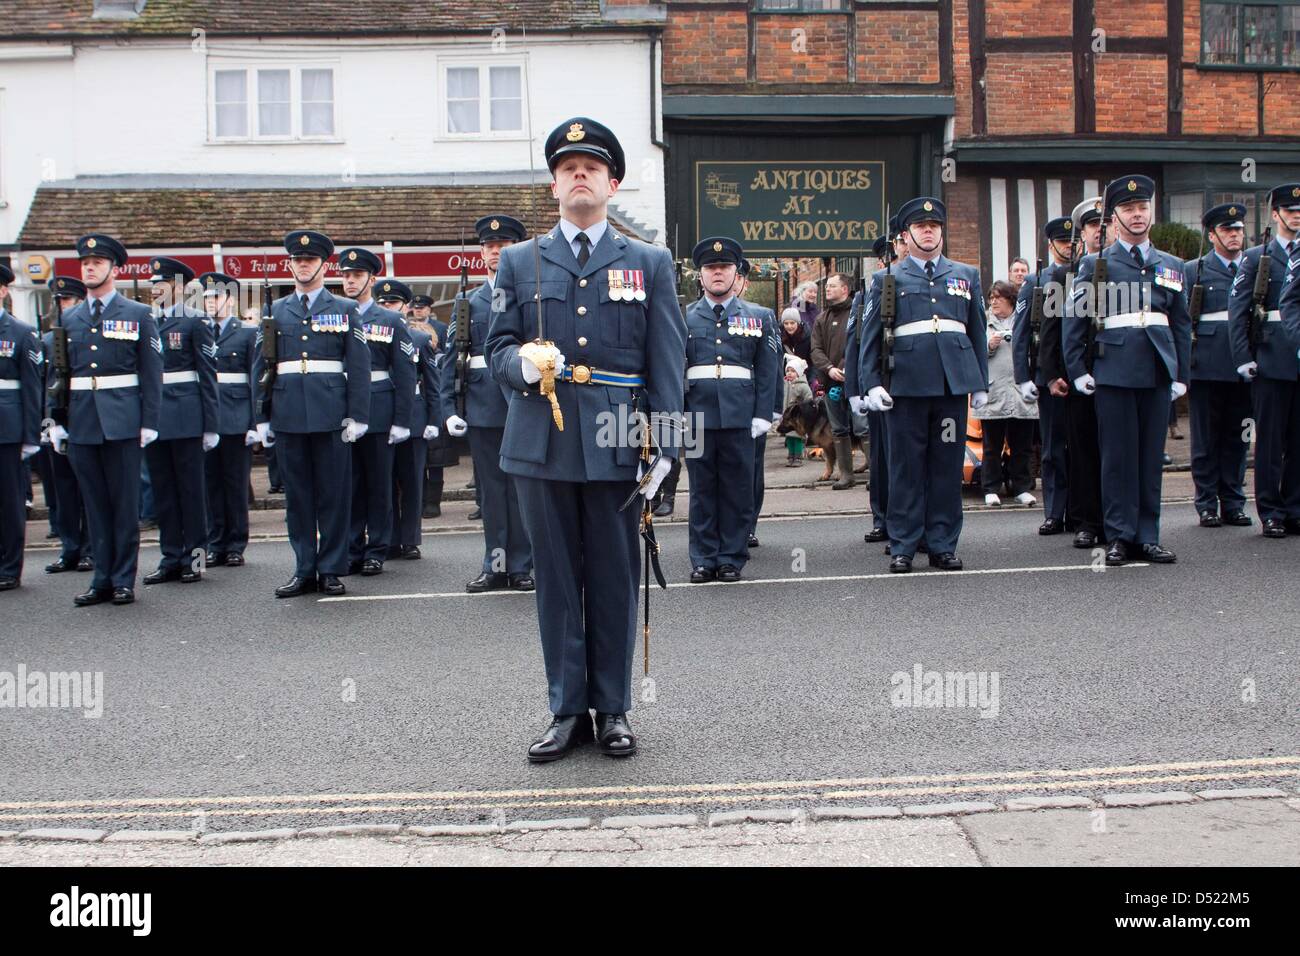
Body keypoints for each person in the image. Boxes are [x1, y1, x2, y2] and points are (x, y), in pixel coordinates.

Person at [484, 116, 686, 762]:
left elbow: (666, 363)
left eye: (591, 168)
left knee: (612, 576)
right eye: (568, 167)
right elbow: (496, 347)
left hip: (617, 433)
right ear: (553, 186)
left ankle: (614, 707)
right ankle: (567, 708)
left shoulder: (648, 262)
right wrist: (519, 366)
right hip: (539, 437)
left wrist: (670, 449)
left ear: (612, 183)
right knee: (556, 581)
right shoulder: (518, 261)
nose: (579, 175)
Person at [1063, 175, 1190, 566]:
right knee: (1117, 458)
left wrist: (1181, 373)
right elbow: (1075, 319)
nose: (1137, 215)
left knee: (1150, 457)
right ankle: (1119, 534)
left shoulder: (1171, 265)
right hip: (1113, 369)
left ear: (1151, 213)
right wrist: (1077, 368)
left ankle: (1147, 535)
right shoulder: (1095, 264)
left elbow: (1181, 324)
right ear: (1114, 219)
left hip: (1155, 370)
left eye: (1142, 208)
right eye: (1128, 210)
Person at [859, 197, 989, 572]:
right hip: (907, 388)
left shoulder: (966, 276)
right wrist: (871, 383)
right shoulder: (887, 279)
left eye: (934, 227)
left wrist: (979, 382)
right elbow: (870, 337)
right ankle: (903, 543)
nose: (928, 232)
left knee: (946, 468)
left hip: (950, 389)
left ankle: (942, 543)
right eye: (920, 227)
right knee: (905, 469)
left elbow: (976, 330)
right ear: (906, 234)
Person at [45, 234, 162, 606]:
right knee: (94, 505)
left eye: (97, 262)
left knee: (123, 505)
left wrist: (149, 420)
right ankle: (101, 579)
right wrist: (56, 420)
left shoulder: (138, 314)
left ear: (115, 268)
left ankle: (123, 578)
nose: (89, 268)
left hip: (123, 420)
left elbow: (151, 371)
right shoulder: (71, 317)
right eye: (85, 263)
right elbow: (59, 374)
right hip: (83, 422)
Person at [257, 230, 371, 598]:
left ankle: (331, 568)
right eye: (297, 260)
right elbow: (262, 367)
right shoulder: (275, 311)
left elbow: (359, 365)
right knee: (298, 497)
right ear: (290, 265)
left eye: (309, 260)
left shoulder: (346, 309)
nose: (302, 265)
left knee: (334, 495)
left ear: (324, 265)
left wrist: (358, 415)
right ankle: (304, 567)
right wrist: (261, 417)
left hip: (331, 414)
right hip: (288, 413)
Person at [442, 215, 534, 592]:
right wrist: (449, 408)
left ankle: (522, 566)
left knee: (523, 490)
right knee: (491, 492)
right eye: (489, 247)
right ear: (482, 253)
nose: (496, 252)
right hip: (482, 404)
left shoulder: (529, 294)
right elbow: (452, 355)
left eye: (503, 245)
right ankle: (496, 565)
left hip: (524, 403)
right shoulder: (467, 301)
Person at [682, 238, 778, 583]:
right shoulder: (683, 317)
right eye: (711, 268)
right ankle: (703, 558)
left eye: (724, 267)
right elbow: (673, 368)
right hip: (696, 416)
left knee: (737, 489)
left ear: (736, 273)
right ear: (701, 275)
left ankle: (731, 558)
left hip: (741, 415)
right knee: (702, 490)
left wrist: (764, 414)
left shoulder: (760, 317)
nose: (717, 273)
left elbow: (769, 370)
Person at [142, 257, 219, 586]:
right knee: (164, 493)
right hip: (155, 419)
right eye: (153, 283)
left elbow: (208, 376)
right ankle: (170, 557)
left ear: (179, 287)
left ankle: (196, 559)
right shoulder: (145, 321)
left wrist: (211, 425)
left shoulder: (196, 321)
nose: (156, 289)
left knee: (191, 493)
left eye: (163, 283)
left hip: (187, 417)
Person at [337, 247, 415, 577]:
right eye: (346, 276)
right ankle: (352, 546)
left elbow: (405, 372)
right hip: (343, 410)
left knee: (379, 484)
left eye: (356, 276)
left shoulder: (391, 319)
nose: (350, 281)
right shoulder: (336, 313)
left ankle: (377, 549)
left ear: (372, 279)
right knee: (348, 483)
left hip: (379, 408)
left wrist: (402, 419)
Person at [1238, 184, 1300, 537]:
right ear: (1275, 215)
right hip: (1271, 357)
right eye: (1290, 210)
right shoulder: (1255, 257)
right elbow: (1239, 311)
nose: (1297, 215)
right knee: (1271, 441)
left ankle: (1294, 506)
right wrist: (1243, 357)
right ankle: (1271, 510)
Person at [1185, 203, 1252, 529]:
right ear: (1212, 235)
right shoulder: (1192, 269)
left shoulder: (1255, 266)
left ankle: (1234, 502)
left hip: (1245, 366)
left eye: (1238, 229)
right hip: (1207, 365)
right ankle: (1207, 503)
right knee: (1206, 439)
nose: (1235, 235)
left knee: (1238, 438)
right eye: (1227, 230)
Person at [1012, 217, 1074, 532]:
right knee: (1053, 447)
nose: (1069, 246)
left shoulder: (1087, 275)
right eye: (1063, 242)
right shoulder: (1036, 282)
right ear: (1051, 245)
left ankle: (1079, 510)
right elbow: (1021, 334)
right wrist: (1023, 377)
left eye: (1072, 241)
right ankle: (1054, 510)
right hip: (1049, 374)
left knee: (1082, 447)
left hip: (1082, 373)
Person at [199, 271, 261, 567]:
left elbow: (254, 379)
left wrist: (254, 423)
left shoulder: (247, 333)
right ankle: (215, 542)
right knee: (210, 485)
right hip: (207, 418)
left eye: (217, 297)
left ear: (231, 300)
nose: (211, 303)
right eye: (207, 297)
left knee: (235, 484)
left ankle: (236, 543)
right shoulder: (198, 330)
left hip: (236, 417)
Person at [377, 280, 438, 560]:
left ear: (404, 307)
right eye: (383, 303)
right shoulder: (370, 335)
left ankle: (410, 538)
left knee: (412, 481)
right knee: (384, 481)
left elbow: (432, 384)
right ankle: (388, 537)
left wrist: (433, 420)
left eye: (392, 303)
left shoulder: (420, 339)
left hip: (414, 414)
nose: (387, 307)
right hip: (383, 413)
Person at [1060, 197, 1107, 548]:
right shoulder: (1068, 274)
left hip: (1118, 370)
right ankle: (1087, 519)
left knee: (1118, 451)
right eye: (1094, 226)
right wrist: (1053, 374)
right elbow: (1054, 332)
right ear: (1083, 233)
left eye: (1105, 225)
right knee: (1084, 449)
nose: (1100, 232)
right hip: (1081, 372)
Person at [40, 276, 93, 574]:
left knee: (88, 491)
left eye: (68, 300)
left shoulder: (85, 337)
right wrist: (49, 425)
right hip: (56, 424)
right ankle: (69, 548)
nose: (62, 305)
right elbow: (42, 389)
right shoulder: (46, 340)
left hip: (83, 421)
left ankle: (89, 549)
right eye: (58, 301)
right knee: (62, 492)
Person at [0, 262, 44, 590]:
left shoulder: (20, 332)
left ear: (3, 291)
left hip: (7, 429)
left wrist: (31, 435)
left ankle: (9, 566)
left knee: (9, 501)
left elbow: (32, 388)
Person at [978, 280, 1038, 506]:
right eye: (991, 297)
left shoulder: (1023, 320)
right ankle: (990, 488)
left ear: (1011, 300)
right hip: (994, 391)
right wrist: (989, 346)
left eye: (998, 298)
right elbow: (973, 353)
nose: (993, 302)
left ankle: (1021, 487)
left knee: (1022, 444)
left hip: (1020, 391)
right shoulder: (984, 321)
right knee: (991, 445)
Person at [737, 257, 780, 549]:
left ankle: (747, 524)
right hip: (712, 409)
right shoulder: (696, 316)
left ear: (744, 282)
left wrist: (771, 409)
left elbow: (772, 365)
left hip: (750, 406)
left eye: (738, 276)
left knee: (751, 471)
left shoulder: (759, 316)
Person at [811, 272, 856, 489]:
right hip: (831, 384)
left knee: (864, 427)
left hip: (856, 381)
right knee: (838, 429)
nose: (827, 289)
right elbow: (816, 349)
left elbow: (861, 342)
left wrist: (845, 367)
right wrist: (829, 369)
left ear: (845, 289)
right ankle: (846, 475)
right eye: (826, 286)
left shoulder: (858, 313)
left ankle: (876, 475)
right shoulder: (821, 319)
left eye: (832, 286)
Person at [782, 354, 814, 465]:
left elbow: (809, 399)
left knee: (797, 437)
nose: (789, 373)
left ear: (799, 373)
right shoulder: (786, 384)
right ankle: (791, 456)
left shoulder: (802, 386)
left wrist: (803, 409)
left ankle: (798, 456)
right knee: (789, 437)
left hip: (798, 418)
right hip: (787, 417)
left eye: (792, 371)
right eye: (788, 371)